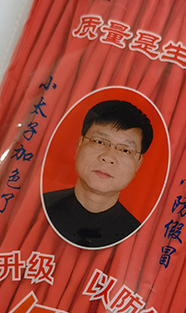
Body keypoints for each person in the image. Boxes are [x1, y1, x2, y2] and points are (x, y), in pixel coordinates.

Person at [43, 99, 154, 247]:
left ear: (138, 163)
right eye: (99, 142)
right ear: (79, 145)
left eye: (125, 150)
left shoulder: (136, 237)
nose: (108, 157)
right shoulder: (39, 209)